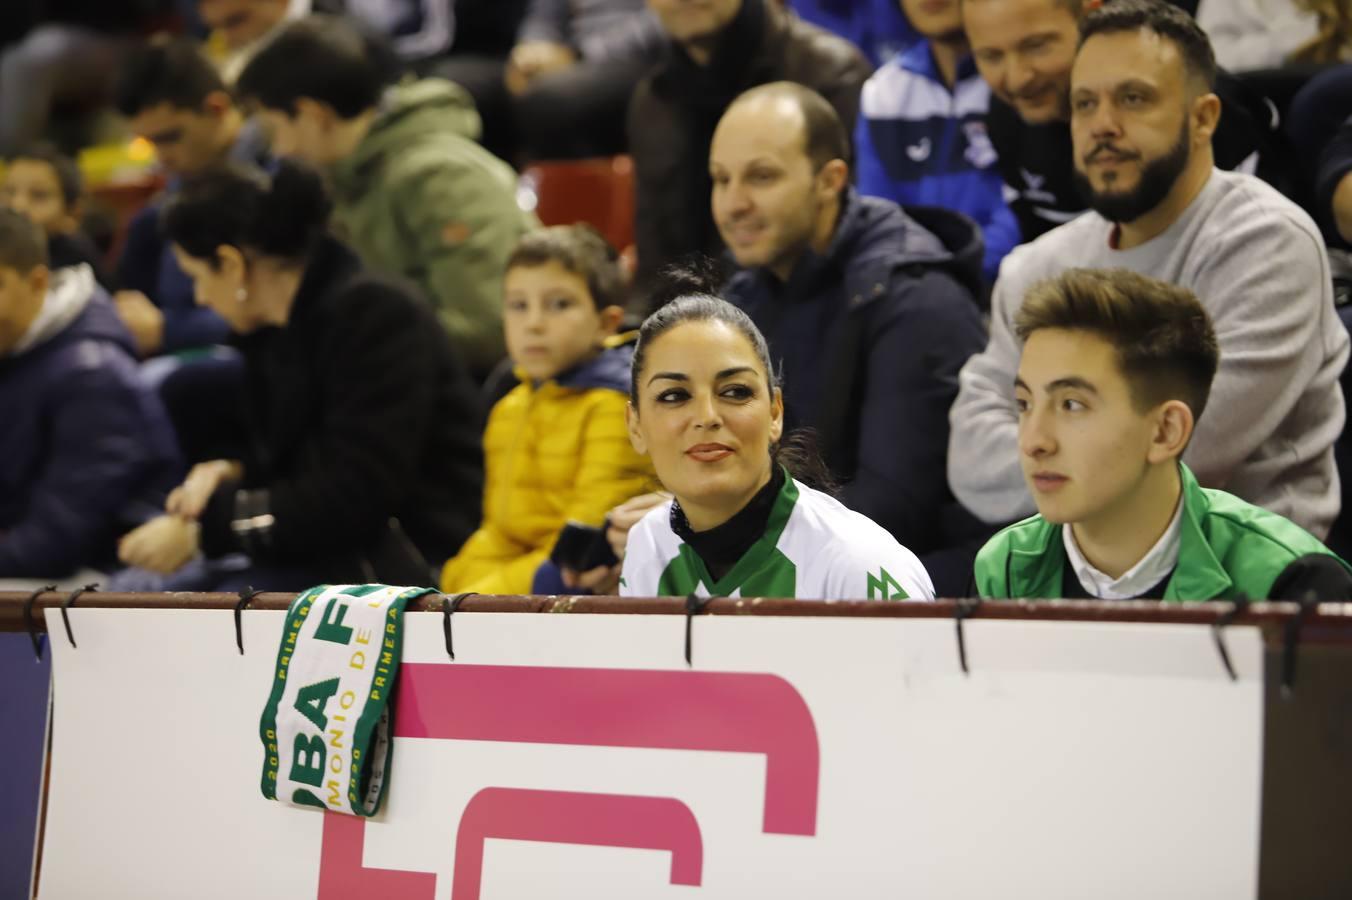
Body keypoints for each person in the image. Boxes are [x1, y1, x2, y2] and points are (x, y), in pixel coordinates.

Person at [949, 0, 1348, 539]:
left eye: (1133, 99)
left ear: (1204, 117)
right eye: (1084, 103)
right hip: (1066, 568)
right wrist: (1103, 450)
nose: (1103, 126)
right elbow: (970, 455)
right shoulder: (1037, 266)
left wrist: (1048, 449)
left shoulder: (1269, 243)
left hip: (1247, 582)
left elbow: (1189, 449)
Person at [115, 161, 483, 591]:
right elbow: (303, 462)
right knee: (133, 588)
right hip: (328, 551)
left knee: (146, 597)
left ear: (232, 265)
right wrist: (231, 471)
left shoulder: (375, 316)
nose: (198, 297)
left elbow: (353, 493)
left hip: (403, 562)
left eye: (196, 277)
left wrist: (203, 532)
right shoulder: (274, 333)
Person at [712, 82, 988, 596]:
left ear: (830, 179)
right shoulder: (745, 293)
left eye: (762, 177)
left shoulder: (914, 295)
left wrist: (723, 538)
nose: (733, 204)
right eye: (720, 180)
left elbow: (894, 507)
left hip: (917, 582)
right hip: (801, 556)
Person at [976, 267, 1352, 601]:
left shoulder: (1291, 583)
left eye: (1072, 405)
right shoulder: (1003, 570)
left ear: (1165, 431)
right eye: (1024, 404)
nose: (1033, 442)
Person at [237, 15, 537, 380]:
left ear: (313, 115)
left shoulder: (439, 176)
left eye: (274, 130)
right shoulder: (341, 180)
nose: (279, 150)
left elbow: (490, 329)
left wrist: (345, 339)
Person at [619, 273, 935, 600]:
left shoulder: (859, 567)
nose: (707, 417)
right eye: (673, 396)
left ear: (775, 413)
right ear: (636, 426)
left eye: (735, 391)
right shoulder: (647, 546)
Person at [440, 225, 657, 595]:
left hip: (577, 595)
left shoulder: (614, 407)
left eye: (559, 304)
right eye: (518, 305)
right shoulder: (508, 407)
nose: (534, 323)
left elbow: (589, 540)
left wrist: (479, 598)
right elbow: (499, 532)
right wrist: (458, 583)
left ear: (606, 323)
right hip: (515, 587)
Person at [962, 0, 1272, 242]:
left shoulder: (1200, 107)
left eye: (1037, 46)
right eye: (991, 56)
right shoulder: (1005, 121)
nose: (1017, 79)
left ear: (1089, 16)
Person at [629, 0, 872, 293]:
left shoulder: (830, 74)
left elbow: (850, 238)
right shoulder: (653, 100)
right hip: (699, 320)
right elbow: (656, 265)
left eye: (763, 175)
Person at [0, 208, 181, 582]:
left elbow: (54, 543)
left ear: (36, 282)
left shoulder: (92, 375)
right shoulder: (15, 347)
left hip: (106, 577)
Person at [113, 37, 268, 360]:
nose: (161, 157)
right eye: (149, 143)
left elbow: (283, 309)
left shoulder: (277, 177)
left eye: (170, 138)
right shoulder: (162, 206)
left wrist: (168, 330)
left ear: (217, 108)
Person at [855, 0, 1018, 283]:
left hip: (1014, 284)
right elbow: (877, 221)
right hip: (914, 292)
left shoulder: (1020, 79)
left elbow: (1024, 210)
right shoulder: (884, 93)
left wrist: (954, 280)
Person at [505, 0, 663, 160]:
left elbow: (662, 18)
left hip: (635, 57)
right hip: (565, 58)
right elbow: (543, 17)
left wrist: (579, 54)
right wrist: (531, 50)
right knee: (484, 92)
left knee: (547, 101)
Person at [1, 143, 108, 284]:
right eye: (9, 191)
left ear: (72, 213)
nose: (18, 205)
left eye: (39, 195)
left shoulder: (77, 262)